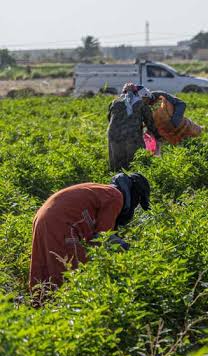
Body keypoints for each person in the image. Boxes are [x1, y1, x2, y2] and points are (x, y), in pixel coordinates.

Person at [28, 173, 151, 303]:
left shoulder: (103, 190)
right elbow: (103, 238)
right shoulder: (116, 196)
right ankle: (64, 314)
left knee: (43, 270)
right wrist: (132, 251)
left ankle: (38, 309)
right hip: (62, 223)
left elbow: (96, 237)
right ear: (134, 194)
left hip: (43, 217)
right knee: (72, 277)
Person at [107, 83, 160, 171]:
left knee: (116, 162)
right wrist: (158, 136)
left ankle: (116, 181)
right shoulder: (141, 104)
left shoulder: (114, 102)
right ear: (136, 93)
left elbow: (109, 119)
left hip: (114, 135)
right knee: (134, 161)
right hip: (132, 136)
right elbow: (150, 123)